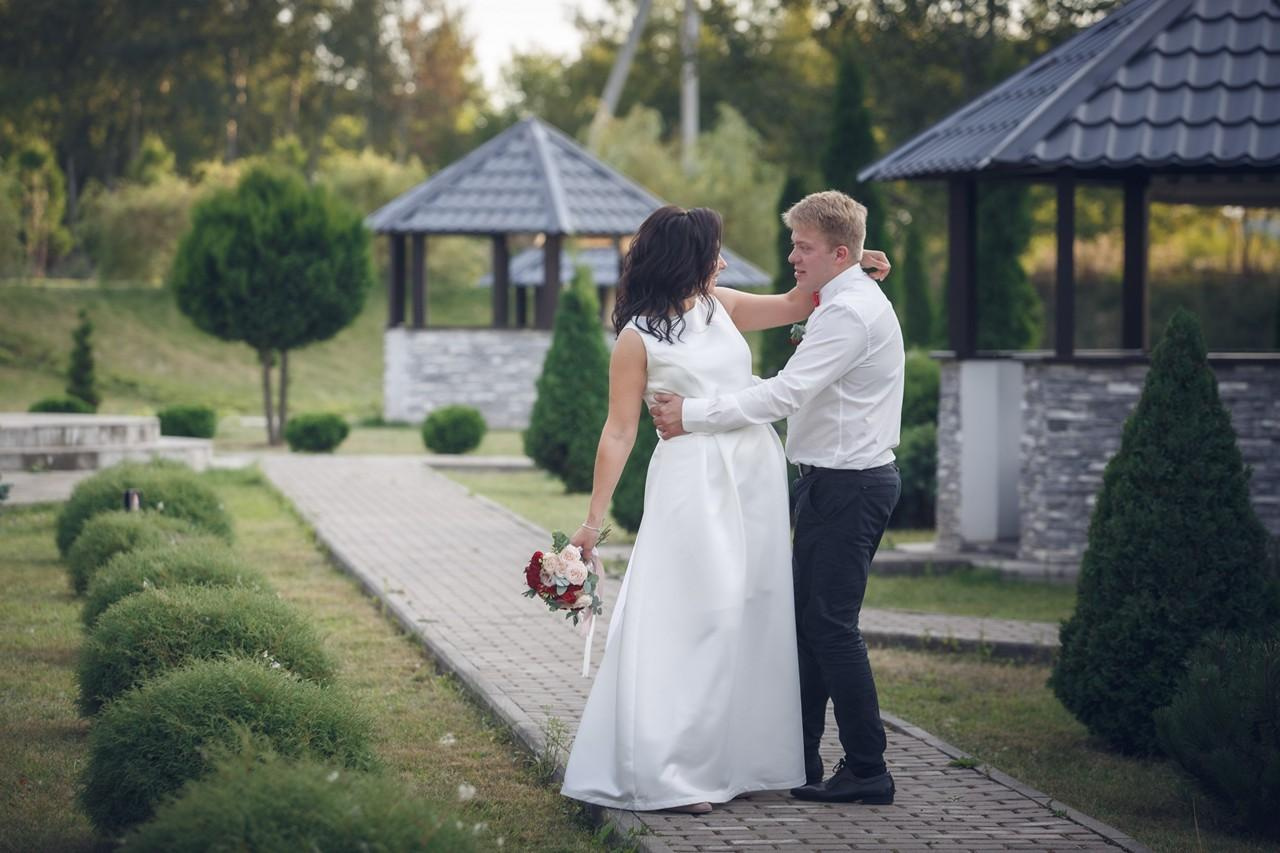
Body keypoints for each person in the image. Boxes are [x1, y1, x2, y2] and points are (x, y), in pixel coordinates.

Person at [559, 204, 890, 815]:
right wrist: (590, 523)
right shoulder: (637, 338)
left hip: (754, 479)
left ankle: (738, 763)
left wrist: (853, 272)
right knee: (698, 615)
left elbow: (797, 304)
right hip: (693, 482)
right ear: (685, 258)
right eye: (714, 251)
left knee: (752, 613)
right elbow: (618, 432)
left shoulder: (723, 304)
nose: (723, 260)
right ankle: (672, 772)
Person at [648, 190, 904, 806]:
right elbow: (790, 378)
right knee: (810, 627)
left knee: (832, 628)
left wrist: (693, 414)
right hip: (830, 483)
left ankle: (869, 768)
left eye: (803, 246)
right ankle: (801, 758)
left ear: (838, 252)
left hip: (848, 485)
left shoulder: (849, 313)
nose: (791, 255)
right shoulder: (843, 297)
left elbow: (784, 396)